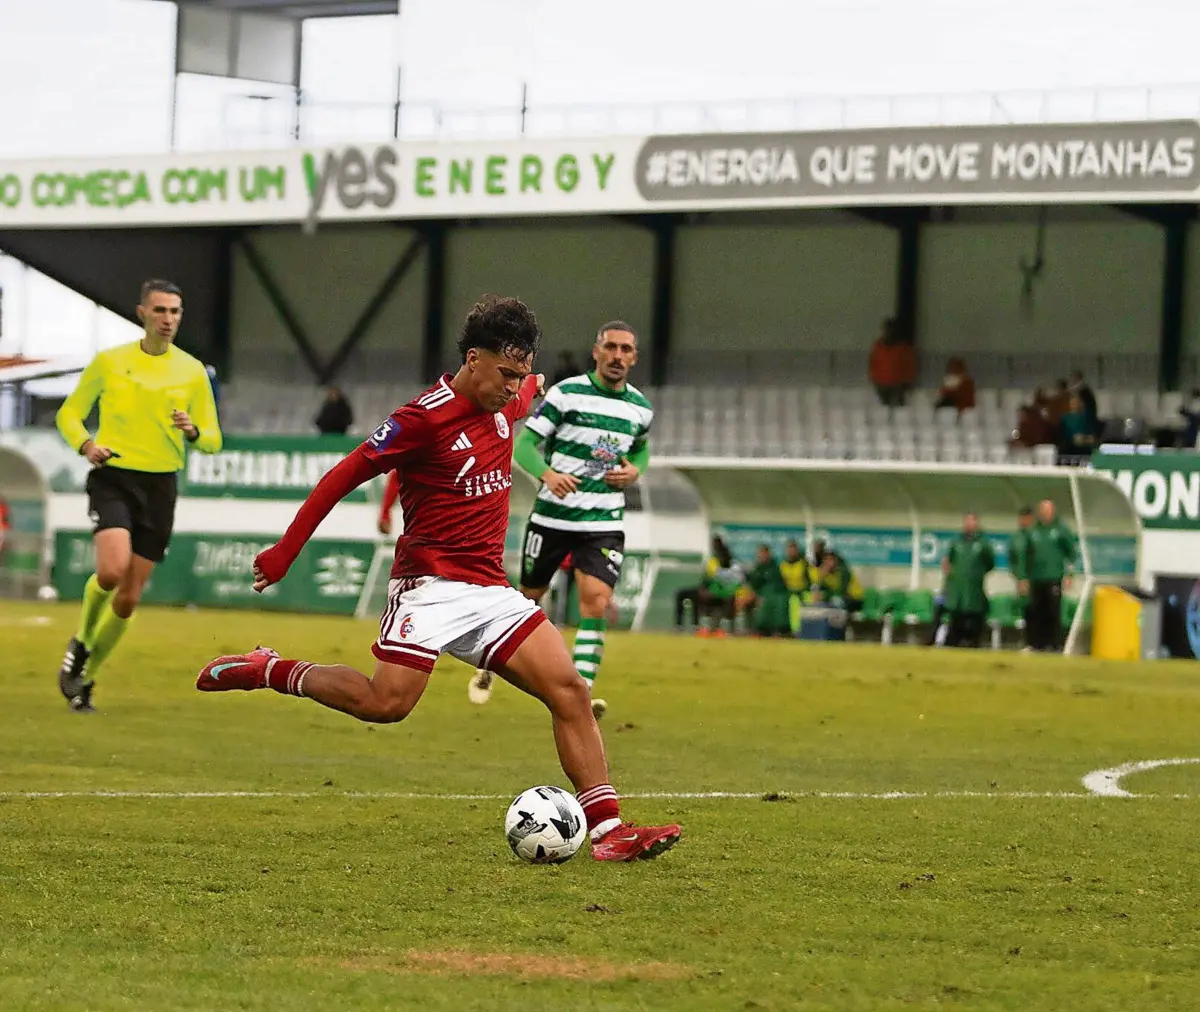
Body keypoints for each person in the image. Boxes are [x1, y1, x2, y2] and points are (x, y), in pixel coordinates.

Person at [195, 295, 681, 862]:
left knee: (569, 690)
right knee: (387, 704)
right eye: (505, 373)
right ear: (472, 359)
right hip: (428, 587)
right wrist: (286, 550)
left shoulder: (511, 396)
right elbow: (342, 475)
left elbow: (528, 392)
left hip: (491, 591)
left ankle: (609, 832)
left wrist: (534, 384)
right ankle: (271, 670)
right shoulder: (420, 419)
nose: (512, 386)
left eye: (520, 375)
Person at [467, 321, 651, 721]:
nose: (618, 356)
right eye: (612, 347)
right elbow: (526, 444)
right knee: (528, 599)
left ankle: (581, 694)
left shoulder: (640, 407)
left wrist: (635, 471)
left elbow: (640, 450)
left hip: (603, 519)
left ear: (634, 358)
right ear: (596, 351)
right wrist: (548, 474)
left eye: (626, 350)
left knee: (597, 602)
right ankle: (489, 664)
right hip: (552, 516)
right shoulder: (567, 395)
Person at [54, 279, 223, 712]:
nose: (169, 320)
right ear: (142, 313)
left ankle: (85, 678)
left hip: (161, 485)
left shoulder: (192, 371)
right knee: (110, 572)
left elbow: (214, 440)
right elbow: (69, 413)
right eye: (161, 311)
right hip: (114, 475)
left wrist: (194, 430)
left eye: (176, 312)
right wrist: (86, 445)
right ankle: (82, 641)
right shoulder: (110, 362)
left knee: (128, 599)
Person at [1019, 499, 1076, 652]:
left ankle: (1055, 645)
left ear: (1053, 510)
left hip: (1054, 578)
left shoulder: (1060, 529)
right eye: (1043, 510)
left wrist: (1069, 575)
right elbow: (1026, 556)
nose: (1045, 513)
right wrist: (1023, 577)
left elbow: (1071, 553)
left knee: (1053, 612)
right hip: (1036, 578)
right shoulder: (1033, 531)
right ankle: (1036, 645)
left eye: (1048, 510)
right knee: (1036, 612)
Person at [942, 512, 995, 648]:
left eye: (972, 521)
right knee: (956, 619)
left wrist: (976, 574)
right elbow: (949, 561)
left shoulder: (983, 543)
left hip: (974, 590)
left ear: (977, 524)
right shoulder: (956, 542)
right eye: (967, 521)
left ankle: (973, 643)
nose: (969, 524)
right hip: (957, 590)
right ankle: (954, 643)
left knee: (974, 618)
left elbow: (990, 564)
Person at [867, 317, 916, 408]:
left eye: (891, 330)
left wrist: (907, 382)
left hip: (898, 386)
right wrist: (874, 380)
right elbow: (872, 365)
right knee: (883, 409)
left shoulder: (904, 348)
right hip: (881, 386)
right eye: (887, 330)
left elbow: (910, 367)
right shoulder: (877, 346)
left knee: (899, 411)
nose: (889, 332)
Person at [744, 543, 790, 637]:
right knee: (744, 600)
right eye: (759, 554)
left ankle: (769, 630)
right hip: (758, 595)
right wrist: (753, 594)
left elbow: (778, 586)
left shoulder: (775, 568)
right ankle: (749, 629)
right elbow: (753, 584)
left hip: (772, 596)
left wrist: (759, 596)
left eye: (763, 553)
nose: (761, 556)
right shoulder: (757, 568)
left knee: (767, 602)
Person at [1008, 507, 1035, 641]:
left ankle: (1047, 644)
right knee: (1027, 611)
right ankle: (1029, 642)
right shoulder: (1016, 538)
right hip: (1022, 583)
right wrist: (1020, 578)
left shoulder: (1037, 535)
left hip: (1037, 582)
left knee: (1041, 612)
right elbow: (1012, 560)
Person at [1058, 394, 1096, 461]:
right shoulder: (1065, 419)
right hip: (1069, 450)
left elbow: (1092, 438)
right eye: (1073, 402)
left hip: (1084, 451)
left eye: (1077, 402)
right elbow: (1061, 437)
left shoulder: (1086, 418)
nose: (1075, 404)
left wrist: (1084, 439)